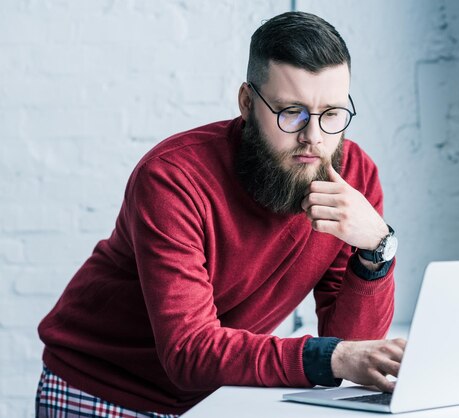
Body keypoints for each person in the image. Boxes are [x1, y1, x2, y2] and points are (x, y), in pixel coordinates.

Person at [36, 11, 404, 418]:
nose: (313, 137)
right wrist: (331, 359)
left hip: (214, 398)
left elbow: (352, 347)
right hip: (102, 390)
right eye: (291, 112)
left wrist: (377, 249)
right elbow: (188, 351)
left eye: (332, 114)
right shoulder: (173, 179)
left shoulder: (354, 178)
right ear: (247, 103)